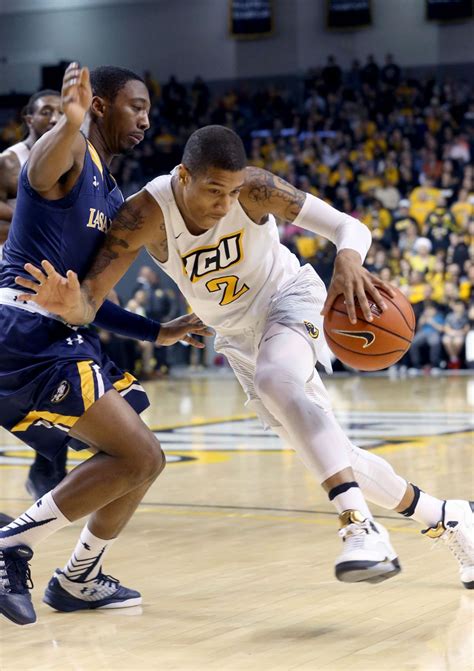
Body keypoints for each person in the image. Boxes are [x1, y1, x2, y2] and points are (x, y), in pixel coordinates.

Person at [17, 126, 474, 594]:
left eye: (231, 192)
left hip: (289, 298)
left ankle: (359, 526)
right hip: (236, 336)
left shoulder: (255, 189)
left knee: (280, 382)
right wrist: (69, 303)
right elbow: (88, 303)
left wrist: (349, 259)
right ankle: (447, 516)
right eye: (214, 191)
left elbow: (348, 226)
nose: (224, 204)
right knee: (331, 453)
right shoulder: (144, 214)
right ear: (182, 176)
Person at [0, 64, 211, 626]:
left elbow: (91, 297)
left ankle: (79, 578)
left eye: (147, 109)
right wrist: (68, 124)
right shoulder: (69, 157)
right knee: (139, 455)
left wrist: (157, 331)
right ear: (99, 107)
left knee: (139, 460)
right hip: (22, 333)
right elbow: (38, 172)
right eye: (134, 106)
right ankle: (11, 544)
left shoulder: (114, 194)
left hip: (57, 336)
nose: (144, 118)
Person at [0, 89, 72, 500]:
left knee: (60, 374)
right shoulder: (10, 162)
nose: (53, 117)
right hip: (10, 282)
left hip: (52, 284)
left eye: (61, 113)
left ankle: (49, 462)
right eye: (46, 111)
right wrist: (33, 219)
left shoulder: (71, 164)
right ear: (29, 117)